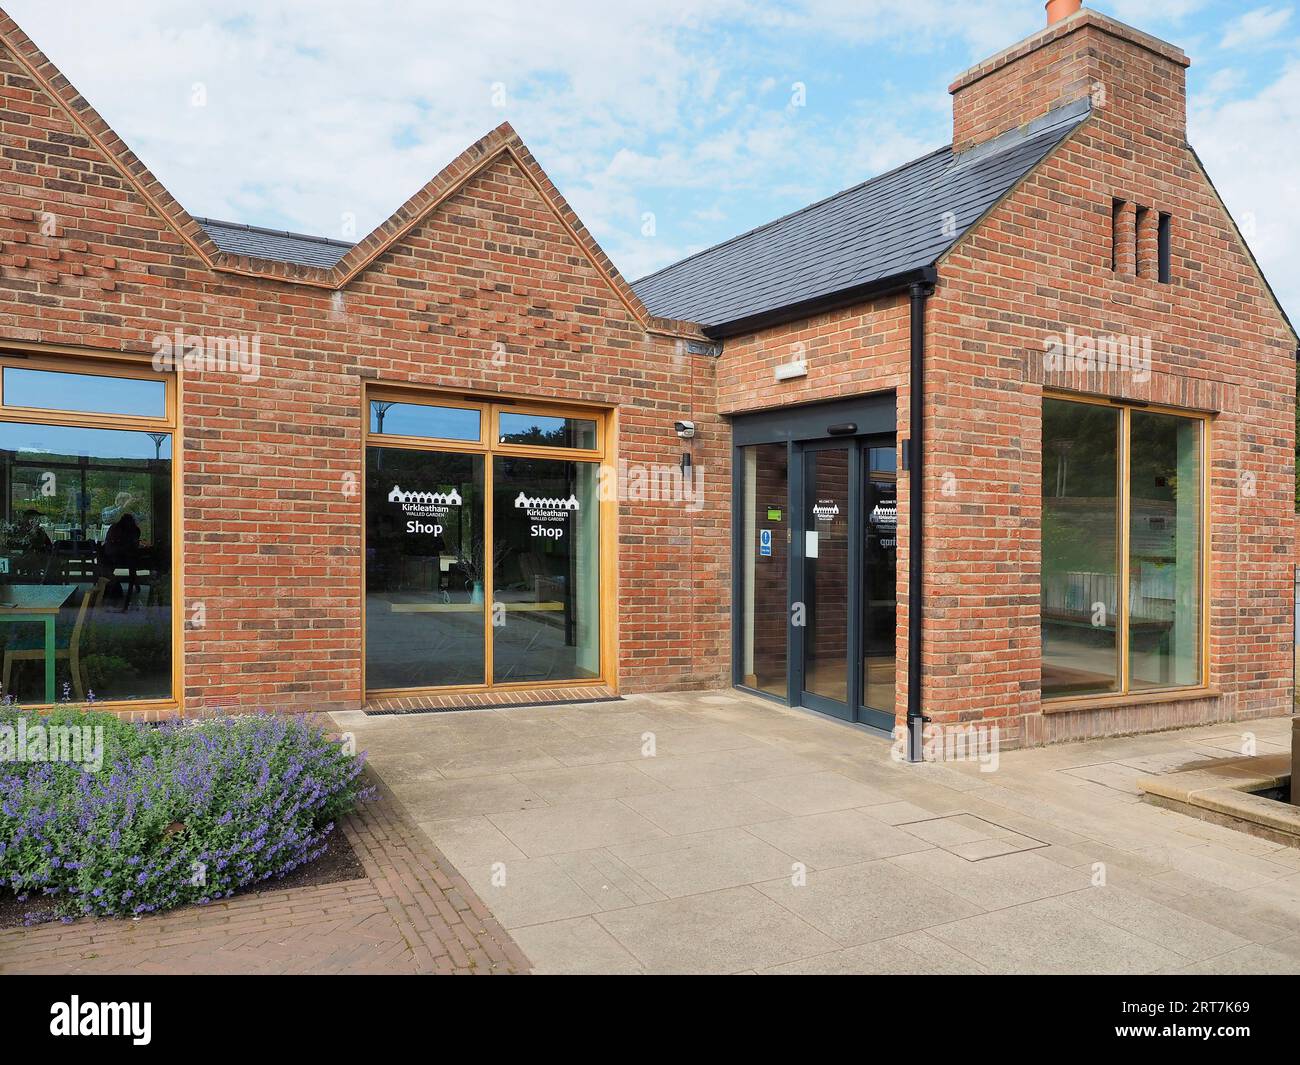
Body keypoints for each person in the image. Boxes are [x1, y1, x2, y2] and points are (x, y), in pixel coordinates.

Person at [102, 512, 142, 607]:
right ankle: (115, 585)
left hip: (111, 557)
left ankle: (112, 585)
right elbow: (134, 545)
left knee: (108, 567)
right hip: (124, 557)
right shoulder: (133, 530)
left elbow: (108, 544)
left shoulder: (114, 528)